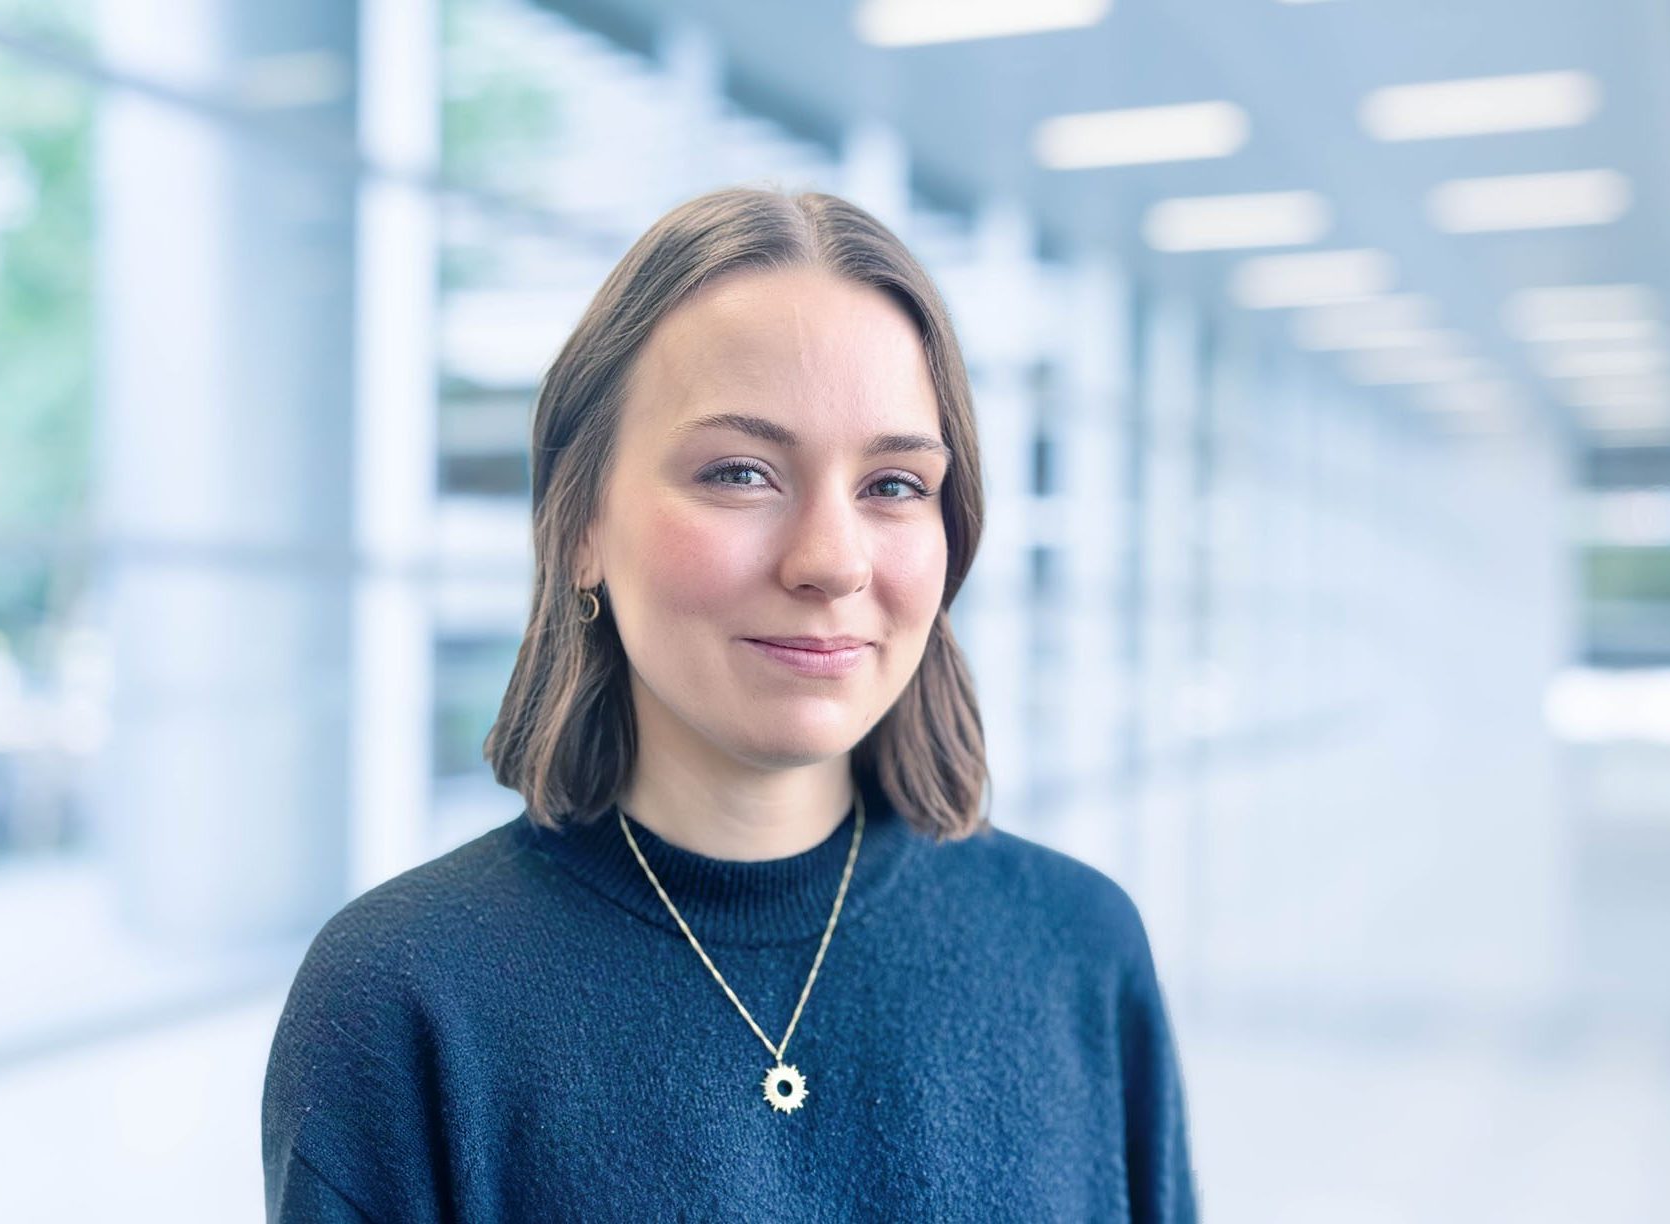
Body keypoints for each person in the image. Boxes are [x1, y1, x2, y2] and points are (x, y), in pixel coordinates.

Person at [260, 186, 1198, 1222]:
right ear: (580, 527)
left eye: (894, 485)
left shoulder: (1077, 950)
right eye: (741, 472)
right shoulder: (404, 1000)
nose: (830, 562)